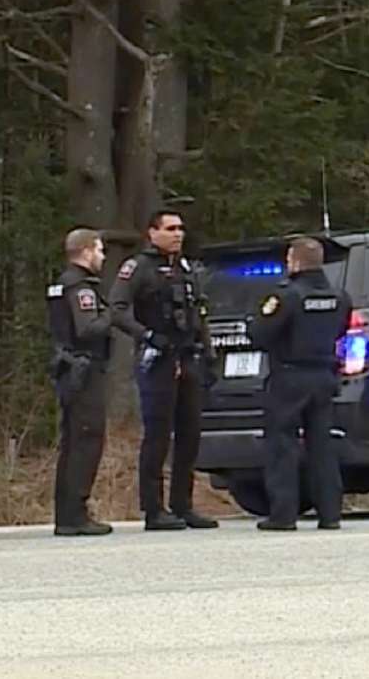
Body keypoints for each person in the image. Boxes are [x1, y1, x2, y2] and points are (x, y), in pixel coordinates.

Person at [109, 210, 219, 531]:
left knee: (190, 434)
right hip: (158, 359)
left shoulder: (185, 269)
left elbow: (199, 313)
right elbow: (117, 309)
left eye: (181, 228)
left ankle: (183, 504)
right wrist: (146, 335)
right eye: (170, 228)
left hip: (188, 357)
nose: (178, 234)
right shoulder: (138, 268)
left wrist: (208, 354)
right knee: (157, 435)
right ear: (152, 232)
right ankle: (153, 508)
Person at [247, 236, 353, 531]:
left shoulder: (287, 296)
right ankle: (330, 513)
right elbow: (341, 330)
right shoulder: (340, 296)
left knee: (282, 445)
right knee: (322, 446)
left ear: (293, 261)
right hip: (324, 376)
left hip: (290, 377)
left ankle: (283, 514)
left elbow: (260, 333)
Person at [46, 228, 113, 536]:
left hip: (69, 369)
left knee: (73, 441)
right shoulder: (80, 288)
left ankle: (67, 512)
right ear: (86, 251)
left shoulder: (62, 284)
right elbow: (87, 329)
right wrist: (110, 315)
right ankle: (76, 513)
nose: (102, 256)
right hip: (83, 370)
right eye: (99, 251)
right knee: (86, 439)